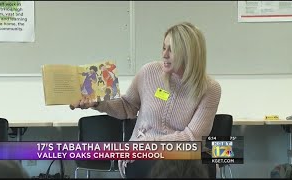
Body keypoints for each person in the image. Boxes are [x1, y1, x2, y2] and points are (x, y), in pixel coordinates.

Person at [70, 21, 221, 178]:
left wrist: (150, 142)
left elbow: (192, 138)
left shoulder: (210, 89)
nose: (164, 55)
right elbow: (127, 106)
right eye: (164, 47)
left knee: (204, 165)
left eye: (172, 50)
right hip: (141, 156)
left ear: (189, 53)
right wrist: (99, 103)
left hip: (182, 154)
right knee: (167, 170)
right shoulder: (149, 72)